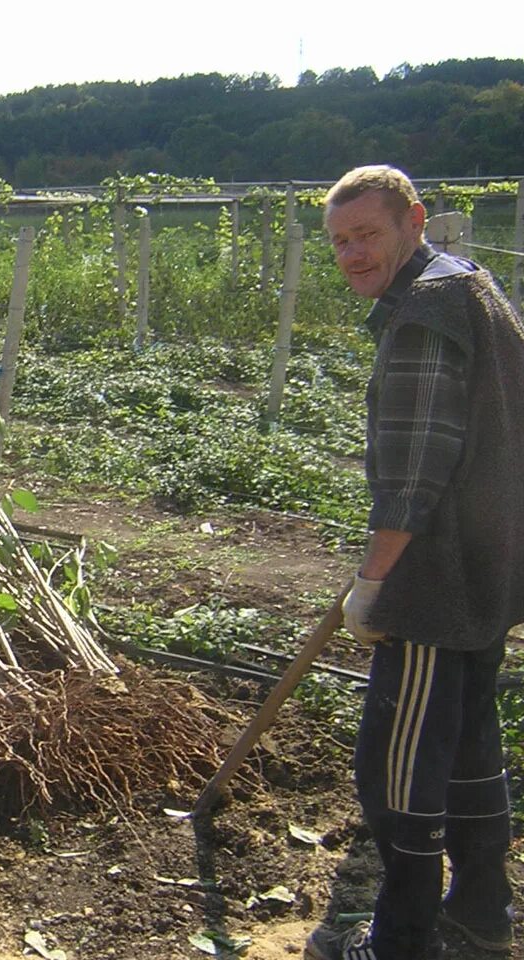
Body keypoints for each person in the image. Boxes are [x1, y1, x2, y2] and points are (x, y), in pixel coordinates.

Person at [305, 165, 523, 960]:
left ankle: (400, 941)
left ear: (415, 220)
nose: (353, 254)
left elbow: (413, 470)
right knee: (467, 749)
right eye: (338, 242)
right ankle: (480, 915)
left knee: (395, 769)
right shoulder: (470, 285)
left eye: (367, 234)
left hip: (435, 582)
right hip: (489, 571)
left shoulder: (427, 313)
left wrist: (373, 583)